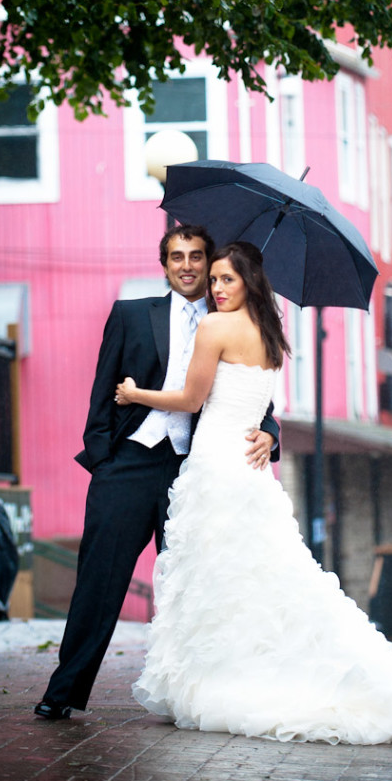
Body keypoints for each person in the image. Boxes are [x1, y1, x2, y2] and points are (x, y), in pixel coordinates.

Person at [115, 241, 392, 745]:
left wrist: (135, 394)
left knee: (218, 575)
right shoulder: (271, 334)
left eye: (227, 280)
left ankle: (224, 680)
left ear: (248, 282)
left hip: (218, 465)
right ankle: (246, 671)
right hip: (250, 470)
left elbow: (190, 399)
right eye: (214, 280)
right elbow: (261, 404)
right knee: (252, 574)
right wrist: (269, 433)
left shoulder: (216, 327)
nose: (216, 289)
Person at [35, 227, 280, 720]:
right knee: (98, 582)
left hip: (192, 471)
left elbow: (257, 396)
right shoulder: (130, 313)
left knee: (192, 587)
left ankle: (191, 696)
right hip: (126, 466)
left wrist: (271, 433)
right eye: (176, 257)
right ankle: (63, 691)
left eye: (197, 257)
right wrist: (102, 460)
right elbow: (103, 388)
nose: (188, 266)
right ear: (164, 264)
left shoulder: (230, 317)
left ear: (211, 265)